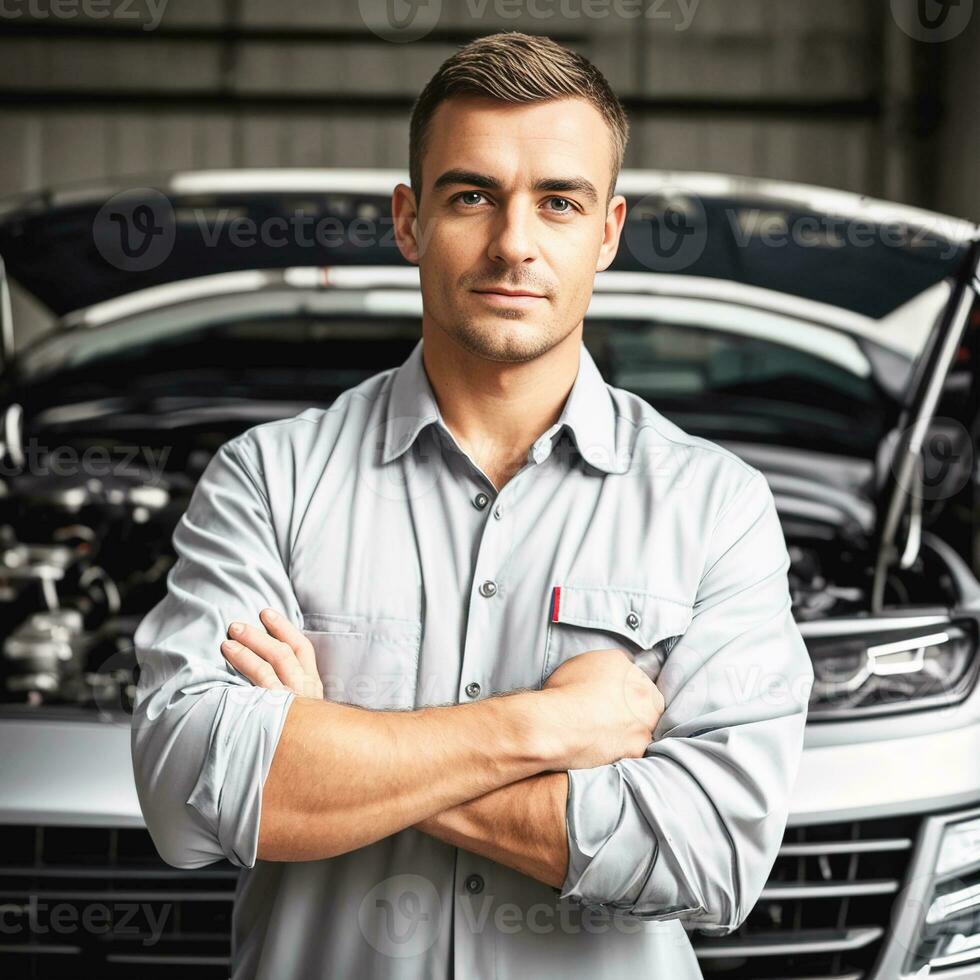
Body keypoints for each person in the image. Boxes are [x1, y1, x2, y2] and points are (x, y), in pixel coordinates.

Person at [131, 31, 814, 980]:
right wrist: (540, 730)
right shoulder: (269, 478)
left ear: (608, 231)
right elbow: (186, 792)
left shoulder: (716, 506)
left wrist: (333, 743)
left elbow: (710, 854)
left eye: (558, 203)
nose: (513, 244)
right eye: (471, 196)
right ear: (410, 221)